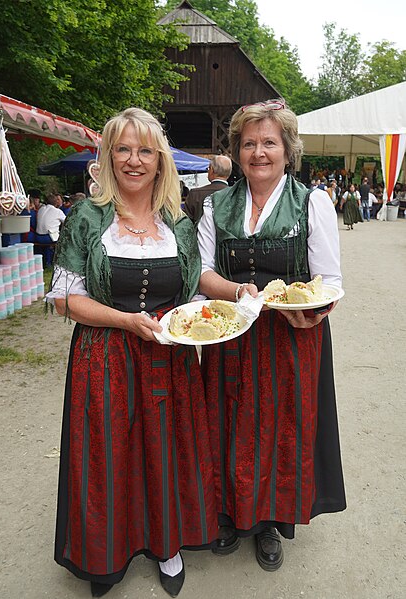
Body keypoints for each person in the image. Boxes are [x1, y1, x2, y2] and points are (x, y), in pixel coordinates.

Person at [47, 107, 217, 598]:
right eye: (123, 148)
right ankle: (105, 553)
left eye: (145, 150)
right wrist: (124, 320)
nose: (134, 160)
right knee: (106, 453)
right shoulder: (87, 216)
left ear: (160, 160)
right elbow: (65, 299)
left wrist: (229, 297)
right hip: (104, 357)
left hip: (168, 354)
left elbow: (193, 287)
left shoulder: (179, 224)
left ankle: (168, 546)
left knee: (165, 450)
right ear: (109, 156)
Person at [197, 99, 346, 572]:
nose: (258, 152)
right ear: (237, 152)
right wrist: (241, 289)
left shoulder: (311, 202)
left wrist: (316, 310)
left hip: (290, 340)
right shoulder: (216, 204)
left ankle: (267, 521)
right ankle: (227, 512)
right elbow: (202, 273)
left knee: (279, 429)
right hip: (231, 335)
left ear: (287, 150)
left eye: (268, 142)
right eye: (249, 144)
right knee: (226, 421)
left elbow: (329, 280)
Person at [183, 155, 232, 224]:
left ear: (211, 170)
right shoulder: (237, 195)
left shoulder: (195, 194)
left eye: (208, 169)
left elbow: (185, 224)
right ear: (229, 173)